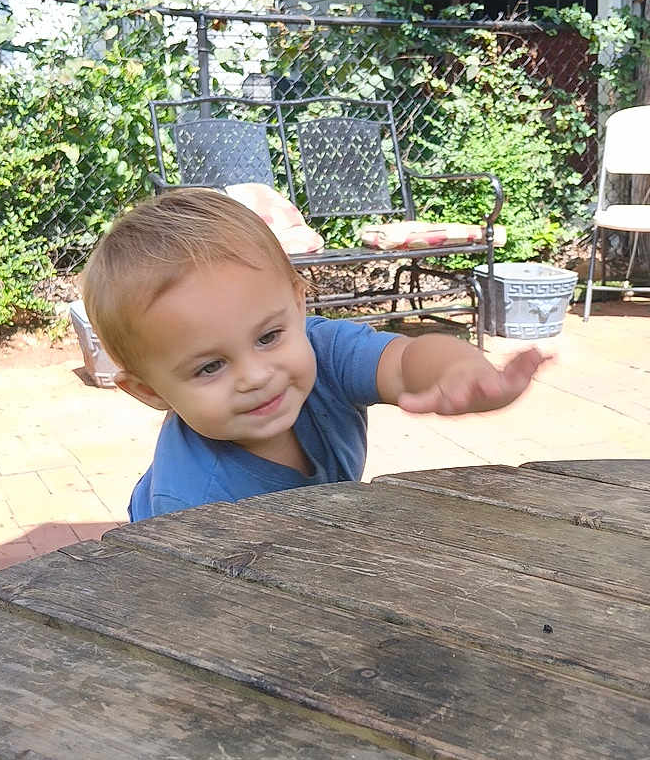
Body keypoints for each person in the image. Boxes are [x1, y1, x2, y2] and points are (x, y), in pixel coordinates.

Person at [82, 188, 546, 521]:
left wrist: (455, 369)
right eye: (210, 366)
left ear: (299, 304)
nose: (256, 375)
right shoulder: (190, 505)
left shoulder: (319, 348)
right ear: (147, 390)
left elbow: (403, 362)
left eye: (267, 337)